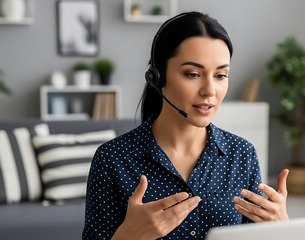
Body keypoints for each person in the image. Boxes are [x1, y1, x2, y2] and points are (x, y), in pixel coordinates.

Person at [82, 11, 290, 240]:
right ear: (157, 77)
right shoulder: (113, 159)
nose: (210, 90)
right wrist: (128, 236)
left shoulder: (242, 154)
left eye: (221, 75)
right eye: (192, 74)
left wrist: (280, 230)